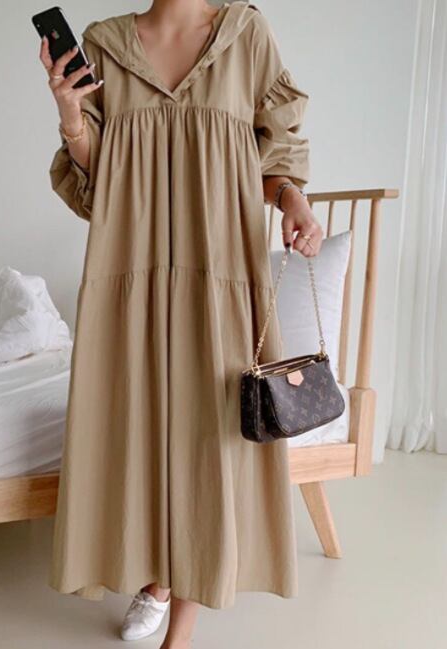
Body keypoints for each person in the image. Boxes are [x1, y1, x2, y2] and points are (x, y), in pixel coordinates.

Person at [39, 1, 323, 647]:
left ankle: (182, 622)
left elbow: (273, 151)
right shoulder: (105, 42)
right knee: (139, 419)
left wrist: (294, 200)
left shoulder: (245, 33)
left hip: (219, 268)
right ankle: (158, 578)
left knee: (210, 429)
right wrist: (69, 113)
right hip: (131, 268)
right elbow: (96, 185)